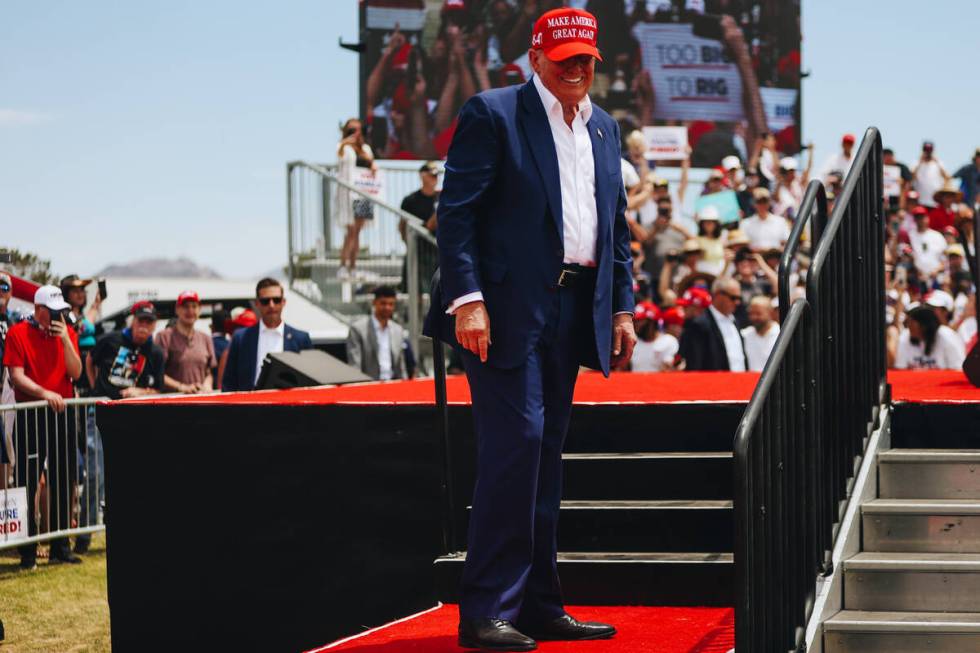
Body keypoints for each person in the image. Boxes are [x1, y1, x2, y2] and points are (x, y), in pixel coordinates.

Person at [422, 7, 633, 649]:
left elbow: (614, 226)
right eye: (565, 55)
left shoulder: (604, 129)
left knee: (544, 459)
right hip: (501, 312)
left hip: (573, 310)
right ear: (536, 58)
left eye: (587, 58)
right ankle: (487, 610)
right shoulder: (493, 112)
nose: (577, 67)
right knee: (517, 447)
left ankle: (540, 606)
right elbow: (455, 215)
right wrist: (467, 300)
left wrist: (621, 305)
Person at [2, 286, 83, 569]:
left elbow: (76, 373)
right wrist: (44, 393)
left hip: (61, 413)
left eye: (61, 311)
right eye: (52, 312)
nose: (57, 317)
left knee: (63, 477)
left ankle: (61, 546)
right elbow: (16, 376)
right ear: (38, 310)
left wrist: (66, 343)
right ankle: (27, 549)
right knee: (27, 480)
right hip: (31, 414)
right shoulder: (18, 333)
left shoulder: (67, 333)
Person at [222, 279, 312, 392]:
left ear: (283, 302)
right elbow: (229, 383)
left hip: (288, 406)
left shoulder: (301, 339)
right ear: (257, 304)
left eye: (276, 300)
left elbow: (310, 385)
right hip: (250, 407)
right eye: (265, 301)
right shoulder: (241, 338)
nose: (271, 305)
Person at [336, 118, 378, 278]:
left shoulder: (365, 148)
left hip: (363, 192)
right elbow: (340, 158)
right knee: (351, 230)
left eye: (356, 130)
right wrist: (346, 142)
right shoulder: (342, 147)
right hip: (349, 193)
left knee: (357, 231)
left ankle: (353, 266)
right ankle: (343, 264)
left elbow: (371, 163)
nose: (354, 133)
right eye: (350, 130)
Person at [678, 278, 747, 371]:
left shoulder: (734, 320)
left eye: (739, 298)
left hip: (741, 381)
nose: (737, 302)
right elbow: (695, 363)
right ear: (718, 295)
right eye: (733, 298)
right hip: (714, 383)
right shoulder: (700, 324)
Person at [155, 291, 217, 394]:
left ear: (199, 310)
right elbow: (157, 372)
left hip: (200, 401)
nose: (190, 310)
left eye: (194, 306)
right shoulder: (164, 337)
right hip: (173, 403)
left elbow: (209, 372)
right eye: (186, 307)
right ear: (177, 310)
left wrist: (207, 384)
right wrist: (181, 387)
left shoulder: (206, 338)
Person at [346, 285, 410, 381]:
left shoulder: (398, 330)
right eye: (383, 303)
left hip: (393, 385)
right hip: (369, 386)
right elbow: (355, 366)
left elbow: (401, 366)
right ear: (374, 303)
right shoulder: (358, 329)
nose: (387, 307)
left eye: (391, 304)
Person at [894, 306, 966, 370]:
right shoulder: (905, 336)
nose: (908, 326)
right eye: (907, 322)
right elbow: (901, 368)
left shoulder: (947, 336)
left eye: (912, 322)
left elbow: (958, 368)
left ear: (924, 324)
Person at [629, 301, 678, 372]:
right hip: (635, 382)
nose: (636, 324)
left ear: (652, 322)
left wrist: (670, 367)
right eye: (635, 320)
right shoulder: (631, 341)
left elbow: (670, 371)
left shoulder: (668, 341)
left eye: (640, 320)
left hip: (658, 382)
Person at [907, 206, 948, 279]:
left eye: (922, 217)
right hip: (916, 276)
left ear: (927, 218)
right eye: (918, 217)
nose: (920, 220)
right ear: (915, 219)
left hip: (936, 276)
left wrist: (936, 270)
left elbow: (945, 259)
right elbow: (907, 254)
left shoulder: (937, 236)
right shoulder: (910, 235)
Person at [741, 295, 780, 371]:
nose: (754, 317)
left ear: (770, 313)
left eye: (758, 314)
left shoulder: (781, 334)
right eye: (751, 314)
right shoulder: (744, 335)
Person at [400, 161, 441, 234]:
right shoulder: (410, 200)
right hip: (418, 242)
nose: (436, 178)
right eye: (433, 175)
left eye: (437, 175)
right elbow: (402, 226)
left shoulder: (443, 198)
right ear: (422, 175)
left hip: (438, 243)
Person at [912, 141, 950, 208]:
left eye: (930, 150)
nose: (928, 152)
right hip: (920, 202)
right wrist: (919, 162)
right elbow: (911, 177)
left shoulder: (939, 163)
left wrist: (937, 162)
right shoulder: (916, 163)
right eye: (926, 150)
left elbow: (947, 177)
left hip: (936, 203)